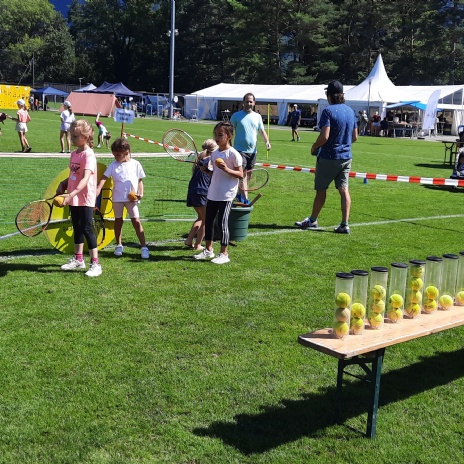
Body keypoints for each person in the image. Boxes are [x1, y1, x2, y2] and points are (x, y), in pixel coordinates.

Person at [295, 80, 358, 234]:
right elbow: (355, 137)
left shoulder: (328, 111)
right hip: (346, 157)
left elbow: (324, 136)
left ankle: (313, 219)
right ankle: (344, 224)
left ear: (329, 95)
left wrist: (314, 147)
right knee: (344, 189)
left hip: (329, 157)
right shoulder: (350, 111)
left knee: (321, 190)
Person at [56, 119, 102, 277]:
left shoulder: (89, 155)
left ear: (86, 136)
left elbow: (85, 178)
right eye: (71, 135)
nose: (72, 139)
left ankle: (95, 263)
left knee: (87, 228)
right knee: (77, 227)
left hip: (85, 197)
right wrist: (63, 184)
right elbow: (73, 175)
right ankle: (78, 259)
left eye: (75, 136)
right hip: (74, 197)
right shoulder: (74, 153)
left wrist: (70, 194)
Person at [194, 121, 243, 264]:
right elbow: (214, 174)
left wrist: (226, 169)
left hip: (226, 195)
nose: (217, 137)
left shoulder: (234, 154)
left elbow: (240, 174)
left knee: (222, 223)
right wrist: (206, 171)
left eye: (220, 134)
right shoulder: (215, 154)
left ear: (229, 136)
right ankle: (208, 250)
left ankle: (224, 253)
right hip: (213, 193)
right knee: (208, 222)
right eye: (215, 134)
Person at [96, 138, 149, 258]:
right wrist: (99, 188)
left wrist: (141, 193)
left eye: (118, 155)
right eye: (114, 155)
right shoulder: (113, 165)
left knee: (136, 221)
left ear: (126, 152)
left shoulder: (135, 164)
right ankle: (119, 245)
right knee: (118, 221)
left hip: (132, 199)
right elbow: (104, 177)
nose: (115, 157)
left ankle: (144, 246)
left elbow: (140, 180)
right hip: (117, 198)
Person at [230, 92, 271, 204]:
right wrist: (228, 146)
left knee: (248, 174)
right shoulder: (236, 116)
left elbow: (262, 131)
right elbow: (229, 131)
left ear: (254, 103)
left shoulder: (257, 116)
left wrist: (267, 142)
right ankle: (245, 198)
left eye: (251, 101)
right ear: (243, 102)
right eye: (247, 101)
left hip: (252, 151)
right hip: (239, 150)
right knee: (242, 174)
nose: (249, 103)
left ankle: (239, 193)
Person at [184, 138, 218, 250]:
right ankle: (198, 244)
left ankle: (189, 240)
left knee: (200, 217)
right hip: (202, 192)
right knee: (206, 220)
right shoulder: (211, 160)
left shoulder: (200, 159)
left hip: (193, 191)